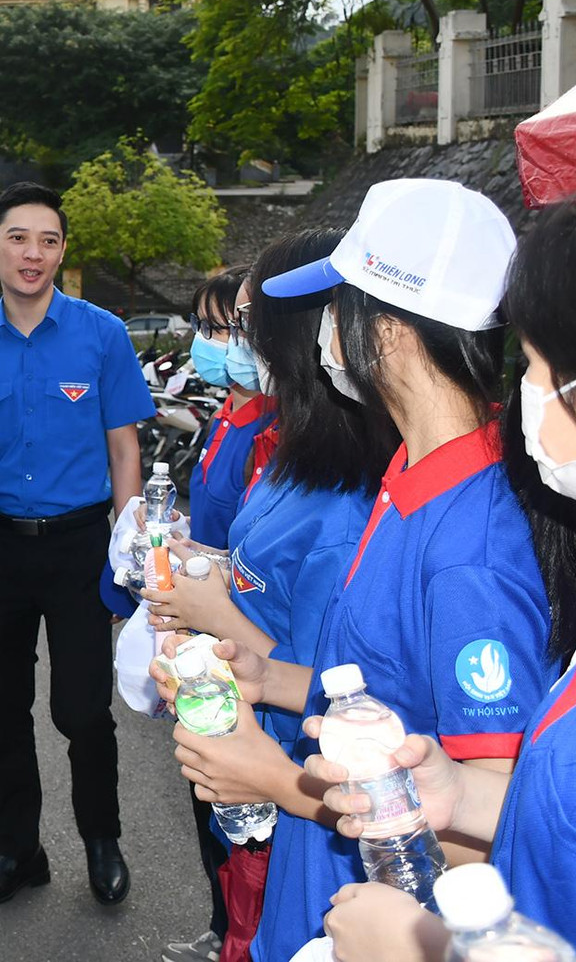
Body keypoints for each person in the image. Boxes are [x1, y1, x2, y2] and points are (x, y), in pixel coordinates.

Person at [164, 180, 562, 962]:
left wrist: (279, 783)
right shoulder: (411, 478)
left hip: (385, 921)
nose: (323, 337)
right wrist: (269, 675)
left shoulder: (471, 547)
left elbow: (499, 836)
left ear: (390, 327)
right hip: (327, 902)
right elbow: (383, 690)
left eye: (337, 308)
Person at [303, 164, 576, 962]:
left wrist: (425, 950)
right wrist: (461, 792)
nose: (523, 394)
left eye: (537, 365)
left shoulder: (476, 547)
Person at [145, 231, 397, 962]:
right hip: (251, 748)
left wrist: (213, 611)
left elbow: (338, 676)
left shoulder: (349, 492)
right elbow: (259, 572)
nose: (234, 341)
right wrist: (212, 574)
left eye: (249, 322)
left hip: (301, 780)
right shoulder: (296, 451)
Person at [0, 182, 153, 910]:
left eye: (47, 240)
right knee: (3, 710)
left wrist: (128, 557)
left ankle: (103, 840)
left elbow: (124, 448)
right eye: (17, 237)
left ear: (63, 250)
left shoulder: (101, 334)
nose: (31, 253)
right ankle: (18, 851)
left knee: (81, 710)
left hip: (79, 549)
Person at [183, 265, 276, 550]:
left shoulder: (272, 430)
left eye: (214, 328)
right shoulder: (223, 416)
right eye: (198, 325)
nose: (201, 338)